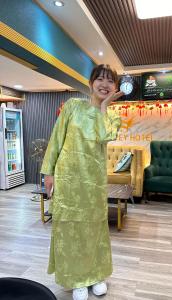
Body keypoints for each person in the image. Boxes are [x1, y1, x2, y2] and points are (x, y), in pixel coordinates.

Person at [41, 64, 123, 300]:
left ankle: (96, 275)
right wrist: (49, 172)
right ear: (90, 83)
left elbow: (104, 135)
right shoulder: (72, 106)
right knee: (69, 228)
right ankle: (76, 279)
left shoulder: (113, 116)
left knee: (95, 227)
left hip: (94, 181)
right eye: (100, 79)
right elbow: (56, 138)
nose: (104, 84)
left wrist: (104, 108)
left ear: (115, 87)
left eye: (110, 81)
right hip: (68, 179)